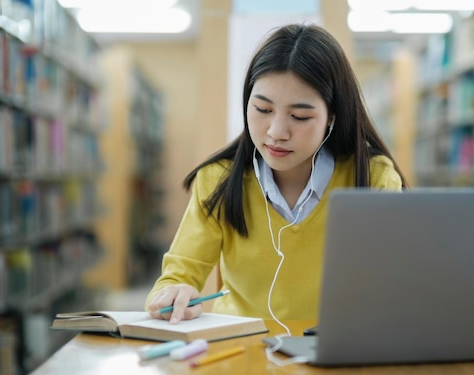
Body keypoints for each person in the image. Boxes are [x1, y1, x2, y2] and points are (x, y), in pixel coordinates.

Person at [145, 23, 407, 327]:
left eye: (300, 116)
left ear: (331, 118)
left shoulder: (372, 178)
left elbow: (397, 282)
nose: (276, 132)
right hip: (241, 353)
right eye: (262, 109)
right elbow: (177, 275)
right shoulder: (219, 179)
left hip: (336, 354)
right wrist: (172, 294)